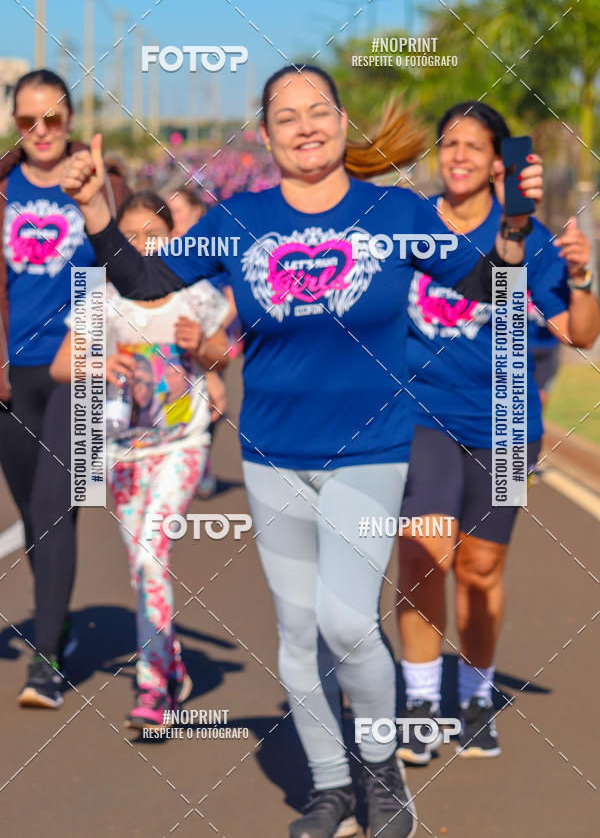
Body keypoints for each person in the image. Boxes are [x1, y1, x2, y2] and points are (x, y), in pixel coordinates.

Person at [61, 64, 540, 838]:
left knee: (347, 623)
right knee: (295, 631)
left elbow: (492, 285)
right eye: (286, 117)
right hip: (272, 453)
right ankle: (330, 788)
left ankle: (380, 770)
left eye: (318, 111)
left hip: (371, 448)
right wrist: (93, 209)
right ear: (266, 135)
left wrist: (513, 231)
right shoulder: (238, 218)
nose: (305, 126)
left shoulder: (395, 212)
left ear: (343, 123)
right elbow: (143, 279)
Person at [396, 102, 600, 764]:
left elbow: (579, 332)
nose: (458, 155)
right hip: (421, 411)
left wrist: (581, 276)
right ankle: (420, 701)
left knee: (481, 569)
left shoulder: (529, 238)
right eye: (448, 143)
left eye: (473, 146)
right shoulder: (409, 225)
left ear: (495, 163)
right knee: (424, 552)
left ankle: (476, 696)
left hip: (508, 420)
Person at [51, 192, 230, 729]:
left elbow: (222, 354)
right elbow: (61, 365)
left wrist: (202, 347)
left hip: (182, 444)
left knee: (152, 555)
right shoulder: (102, 294)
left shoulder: (193, 291)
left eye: (153, 235)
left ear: (173, 239)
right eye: (129, 235)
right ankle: (170, 665)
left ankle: (153, 687)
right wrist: (99, 364)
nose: (141, 245)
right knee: (142, 568)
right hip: (123, 452)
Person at [0, 68, 129, 708]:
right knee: (32, 513)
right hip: (13, 373)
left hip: (81, 368)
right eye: (28, 120)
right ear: (15, 124)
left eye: (52, 118)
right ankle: (61, 620)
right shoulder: (3, 190)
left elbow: (125, 270)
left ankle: (46, 657)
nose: (41, 130)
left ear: (70, 120)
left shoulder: (98, 183)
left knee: (55, 508)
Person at [167, 182, 240, 498]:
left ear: (196, 212)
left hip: (210, 341)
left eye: (177, 210)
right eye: (167, 211)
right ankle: (177, 461)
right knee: (174, 402)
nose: (172, 216)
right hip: (170, 343)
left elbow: (231, 298)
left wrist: (211, 329)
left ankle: (201, 464)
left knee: (209, 405)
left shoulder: (212, 249)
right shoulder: (159, 248)